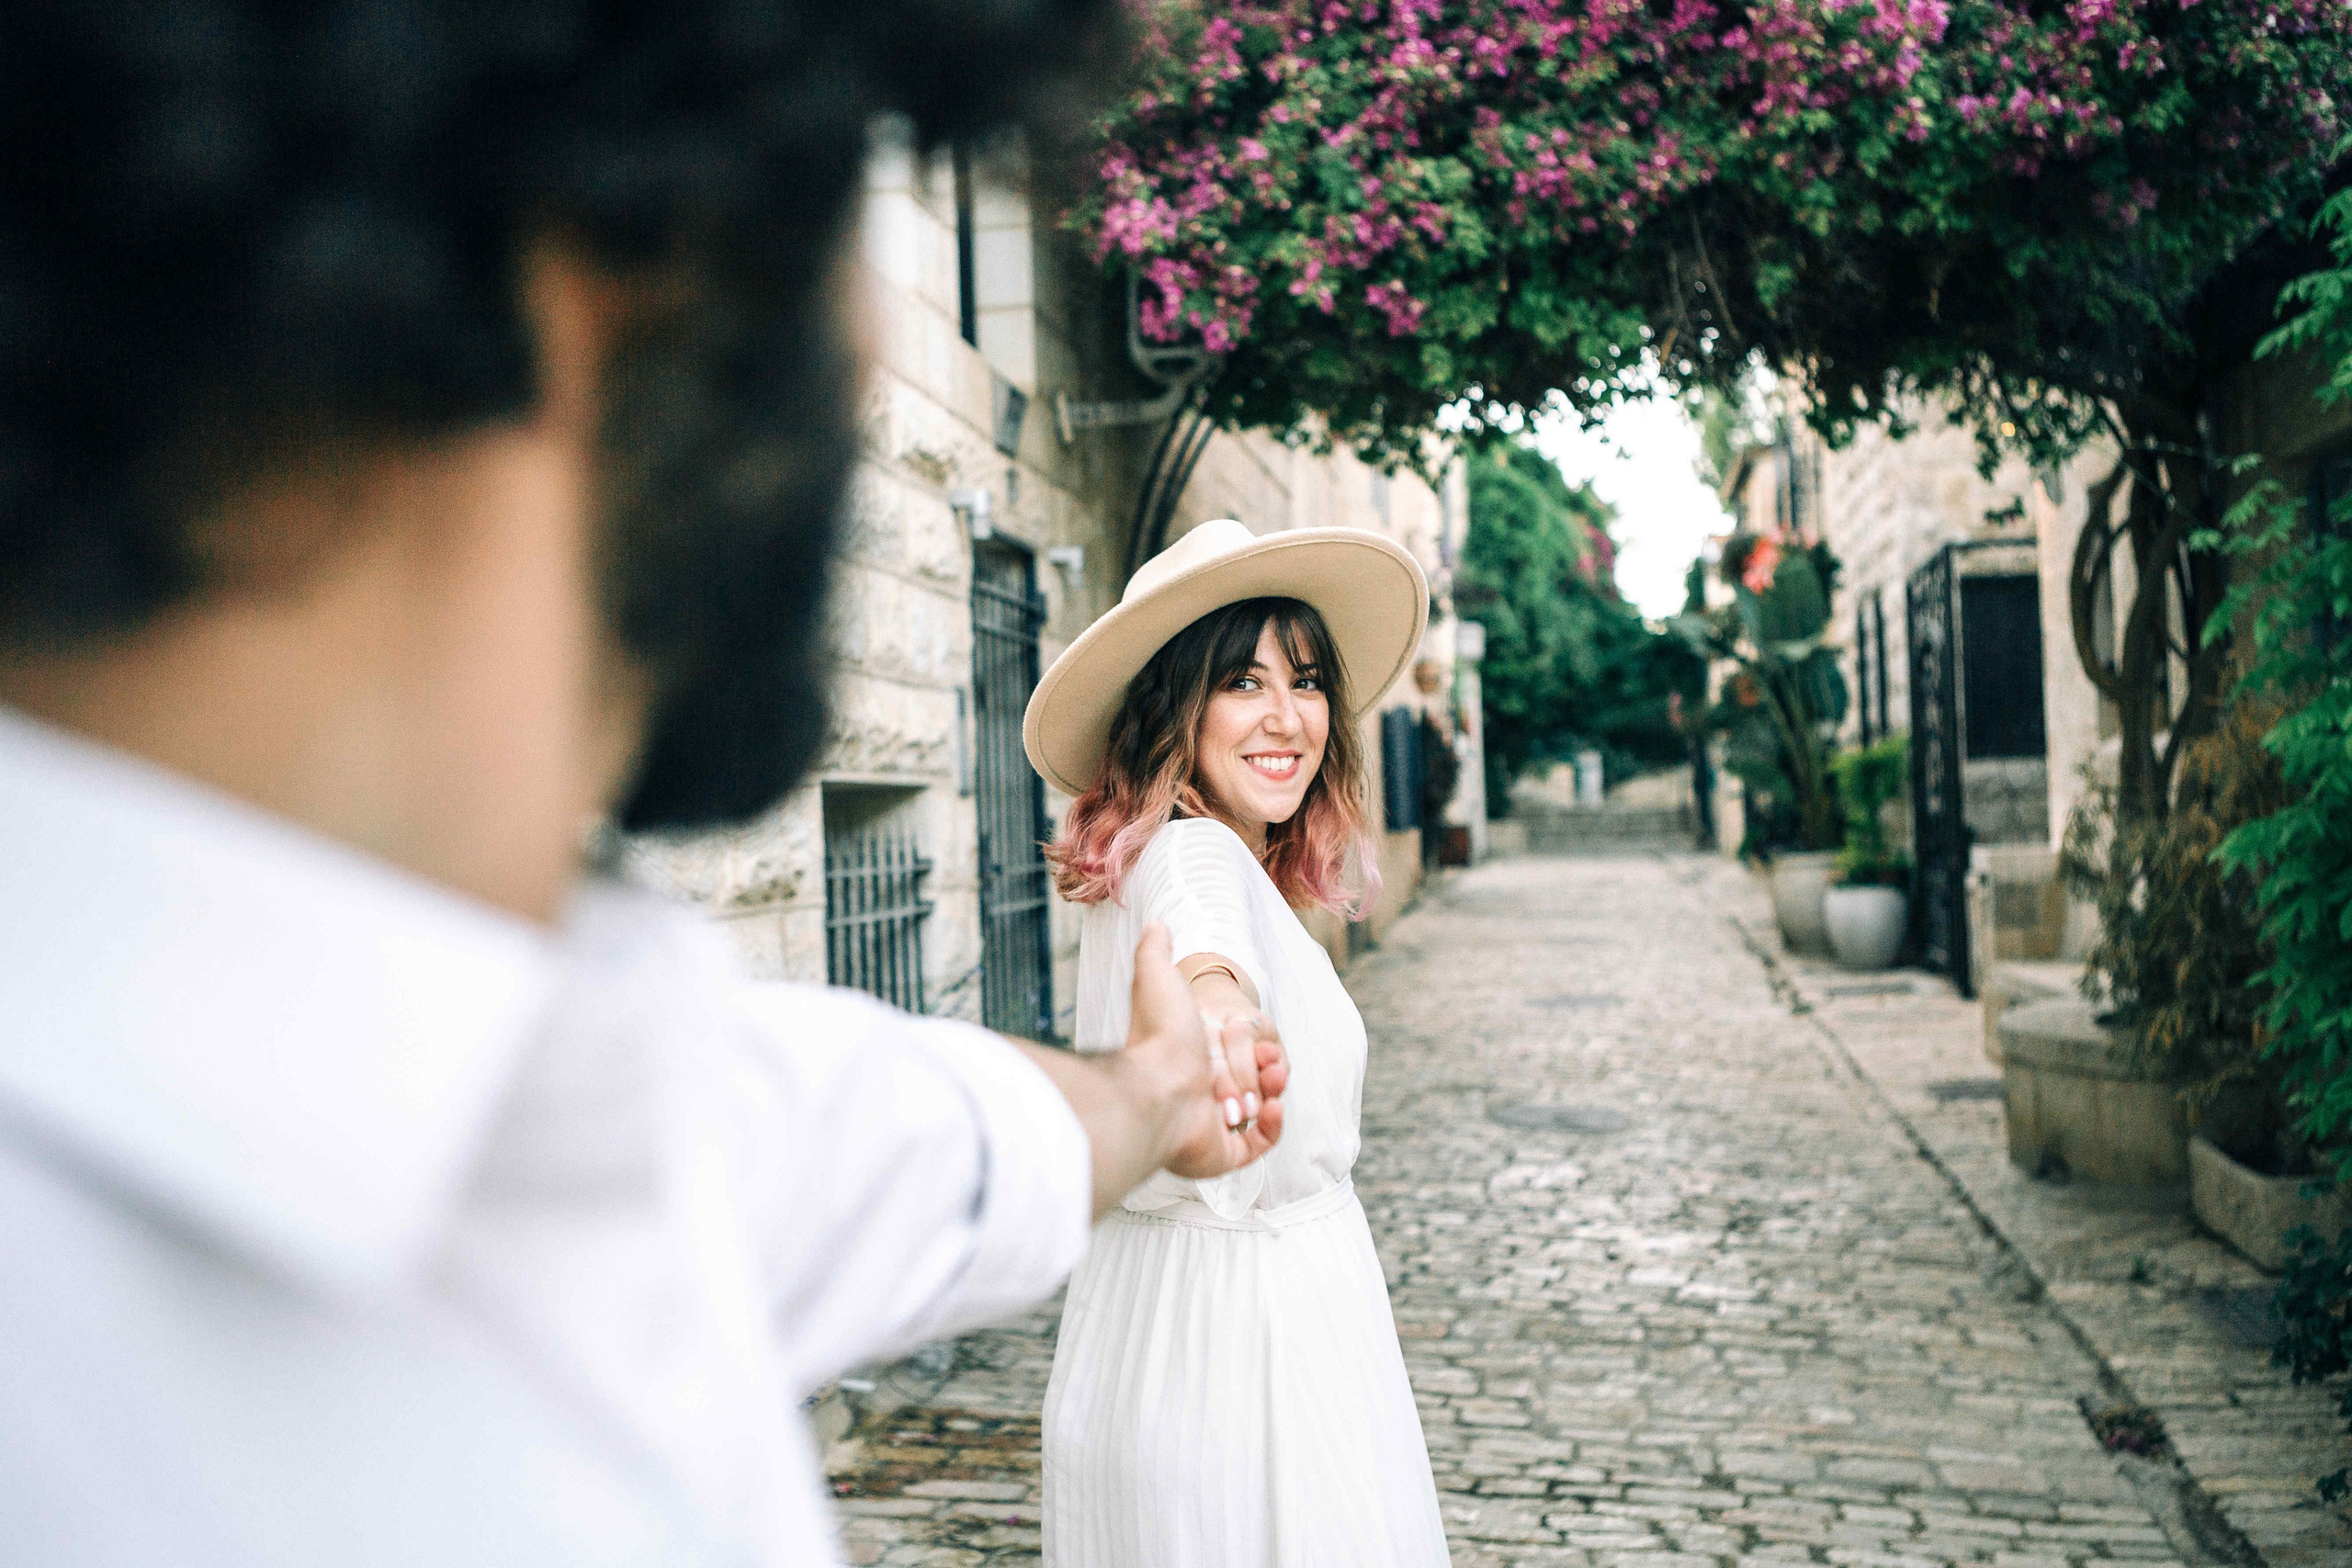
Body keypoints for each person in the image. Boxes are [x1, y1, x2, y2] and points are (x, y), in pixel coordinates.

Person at [0, 6, 1291, 1564]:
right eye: (831, 195)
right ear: (633, 240)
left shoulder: (576, 1074)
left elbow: (942, 1150)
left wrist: (1156, 1087)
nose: (871, 336)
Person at [1025, 519, 1453, 1567]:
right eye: (1242, 683)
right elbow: (1206, 952)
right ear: (1179, 707)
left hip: (1159, 1332)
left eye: (1305, 683)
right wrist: (1219, 1016)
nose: (1286, 717)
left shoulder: (1160, 852)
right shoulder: (1196, 851)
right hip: (1251, 1361)